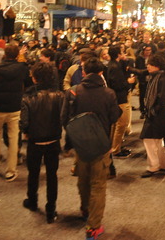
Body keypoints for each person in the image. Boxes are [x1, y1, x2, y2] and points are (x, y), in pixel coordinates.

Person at [63, 58, 120, 240]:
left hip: (80, 144)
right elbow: (113, 117)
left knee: (83, 180)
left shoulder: (73, 91)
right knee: (98, 184)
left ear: (84, 72)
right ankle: (93, 227)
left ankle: (85, 209)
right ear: (101, 73)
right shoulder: (109, 93)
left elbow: (64, 118)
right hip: (101, 145)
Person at [20, 62, 65, 224]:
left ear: (35, 78)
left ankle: (32, 201)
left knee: (33, 173)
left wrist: (25, 131)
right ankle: (51, 209)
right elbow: (63, 117)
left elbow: (24, 122)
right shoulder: (59, 95)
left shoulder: (28, 97)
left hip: (35, 140)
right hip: (53, 139)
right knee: (52, 175)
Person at [0, 44, 28, 181]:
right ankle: (11, 170)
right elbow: (29, 83)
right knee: (14, 138)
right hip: (15, 107)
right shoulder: (22, 68)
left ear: (4, 54)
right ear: (16, 55)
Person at [139, 54, 165, 177]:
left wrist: (153, 111)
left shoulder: (160, 78)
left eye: (150, 64)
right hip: (158, 115)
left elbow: (161, 99)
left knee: (149, 139)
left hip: (156, 115)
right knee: (157, 140)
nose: (148, 66)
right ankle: (162, 164)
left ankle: (154, 166)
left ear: (156, 66)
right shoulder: (158, 77)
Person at [107, 46, 134, 158]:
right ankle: (116, 149)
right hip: (120, 98)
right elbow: (117, 85)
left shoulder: (114, 64)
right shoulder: (114, 67)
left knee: (116, 125)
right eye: (122, 52)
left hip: (117, 98)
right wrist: (128, 82)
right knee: (121, 124)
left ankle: (114, 146)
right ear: (118, 54)